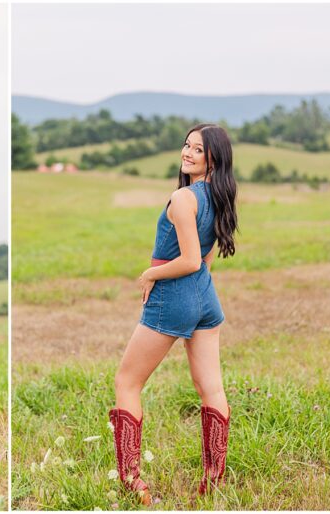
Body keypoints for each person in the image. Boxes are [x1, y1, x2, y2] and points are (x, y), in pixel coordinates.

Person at [110, 124, 239, 503]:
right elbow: (206, 259)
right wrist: (197, 291)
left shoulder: (183, 198)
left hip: (174, 297)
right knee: (211, 388)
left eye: (197, 150)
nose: (187, 153)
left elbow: (186, 260)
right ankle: (213, 481)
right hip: (206, 299)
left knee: (127, 382)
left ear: (212, 159)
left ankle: (132, 482)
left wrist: (151, 273)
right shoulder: (220, 195)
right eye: (186, 145)